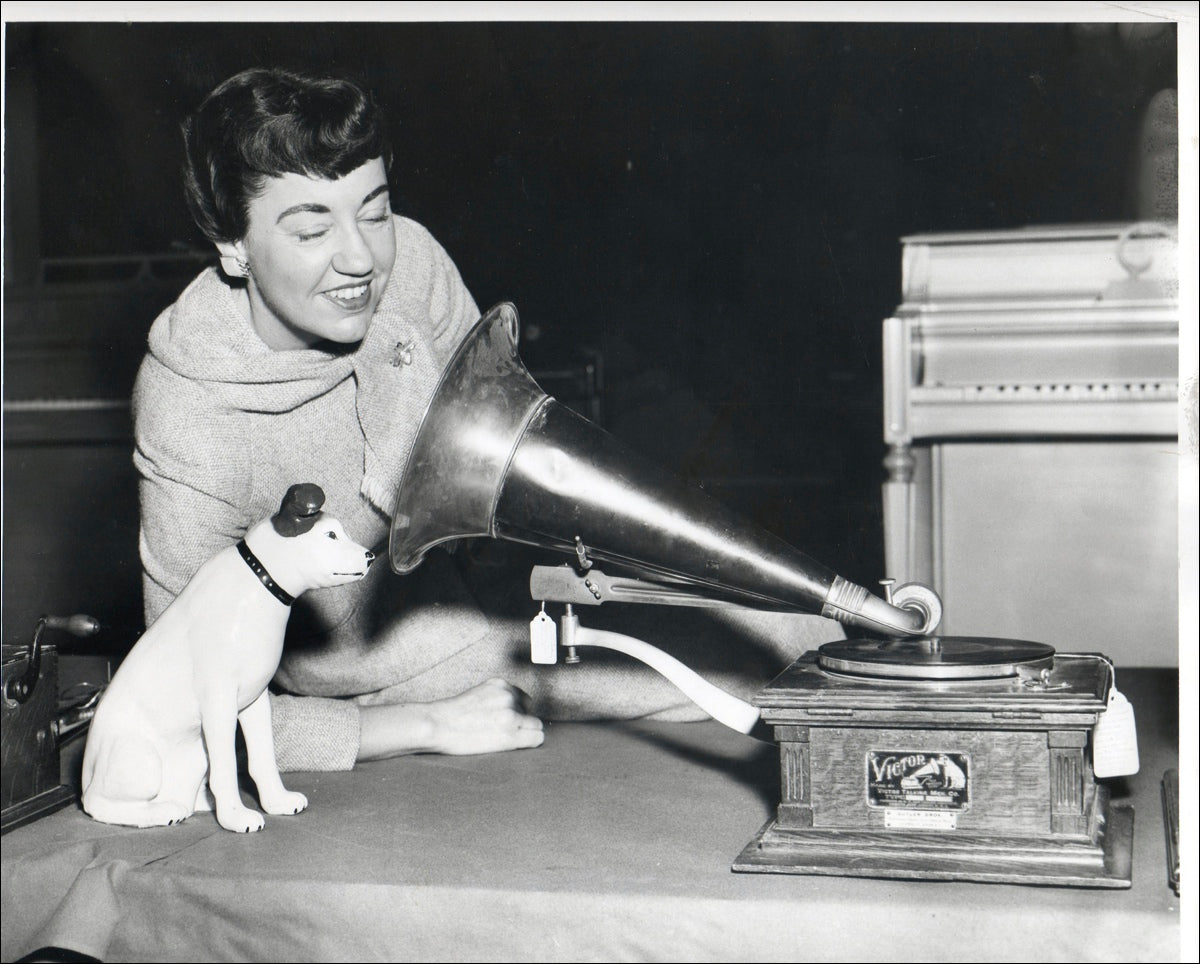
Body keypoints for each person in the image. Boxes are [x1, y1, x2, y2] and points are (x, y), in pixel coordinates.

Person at [134, 67, 843, 773]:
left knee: (811, 630)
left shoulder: (411, 261)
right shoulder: (188, 416)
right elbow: (177, 709)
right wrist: (416, 725)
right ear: (233, 245)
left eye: (374, 212)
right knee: (767, 676)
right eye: (312, 229)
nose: (361, 258)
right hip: (389, 658)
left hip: (505, 575)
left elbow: (506, 449)